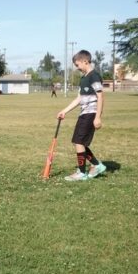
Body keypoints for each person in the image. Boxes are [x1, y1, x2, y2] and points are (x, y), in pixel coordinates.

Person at [57, 50, 106, 181]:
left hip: (91, 113)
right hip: (84, 113)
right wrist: (64, 111)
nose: (77, 68)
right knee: (79, 142)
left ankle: (82, 172)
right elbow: (79, 99)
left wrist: (98, 116)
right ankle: (96, 165)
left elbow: (101, 96)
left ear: (85, 61)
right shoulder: (84, 78)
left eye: (77, 65)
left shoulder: (94, 76)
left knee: (79, 142)